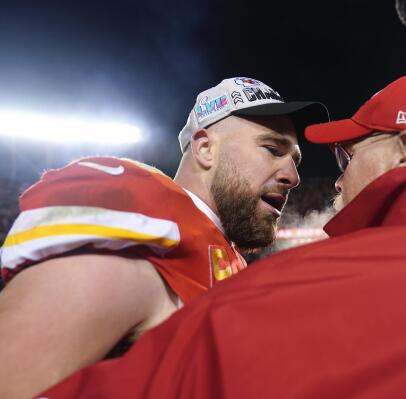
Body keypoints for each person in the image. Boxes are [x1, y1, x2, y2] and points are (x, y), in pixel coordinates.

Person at [38, 71, 406, 399]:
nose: (302, 174)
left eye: (345, 154)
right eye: (272, 147)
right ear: (204, 147)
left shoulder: (290, 290)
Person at [0, 77, 328, 399]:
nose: (294, 177)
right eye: (273, 149)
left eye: (295, 161)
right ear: (205, 149)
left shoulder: (218, 253)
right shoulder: (142, 234)